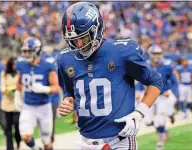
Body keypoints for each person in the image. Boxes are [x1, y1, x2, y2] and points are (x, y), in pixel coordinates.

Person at [57, 2, 163, 149]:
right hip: (85, 142)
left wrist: (139, 113)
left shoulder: (122, 52)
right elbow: (71, 94)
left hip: (119, 140)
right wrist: (68, 102)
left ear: (97, 29)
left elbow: (155, 81)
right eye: (74, 40)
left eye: (84, 38)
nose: (79, 44)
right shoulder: (65, 59)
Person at [14, 36, 60, 150]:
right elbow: (19, 82)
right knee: (25, 136)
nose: (26, 54)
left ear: (37, 51)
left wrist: (45, 89)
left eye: (29, 51)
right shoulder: (21, 65)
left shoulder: (47, 66)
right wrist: (17, 95)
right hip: (28, 106)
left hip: (44, 107)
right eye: (25, 51)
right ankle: (36, 148)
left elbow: (56, 88)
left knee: (46, 141)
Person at [147, 45, 178, 150]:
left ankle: (160, 143)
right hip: (149, 96)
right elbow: (138, 79)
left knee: (160, 119)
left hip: (162, 96)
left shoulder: (166, 66)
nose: (156, 56)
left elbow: (174, 81)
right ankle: (163, 127)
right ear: (150, 54)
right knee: (148, 122)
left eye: (158, 53)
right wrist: (138, 90)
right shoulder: (145, 66)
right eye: (155, 53)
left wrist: (170, 91)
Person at [0, 56, 21, 150]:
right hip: (7, 103)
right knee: (8, 128)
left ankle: (18, 140)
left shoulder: (20, 73)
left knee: (17, 125)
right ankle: (9, 147)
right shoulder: (4, 74)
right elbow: (2, 87)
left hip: (17, 103)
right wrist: (9, 89)